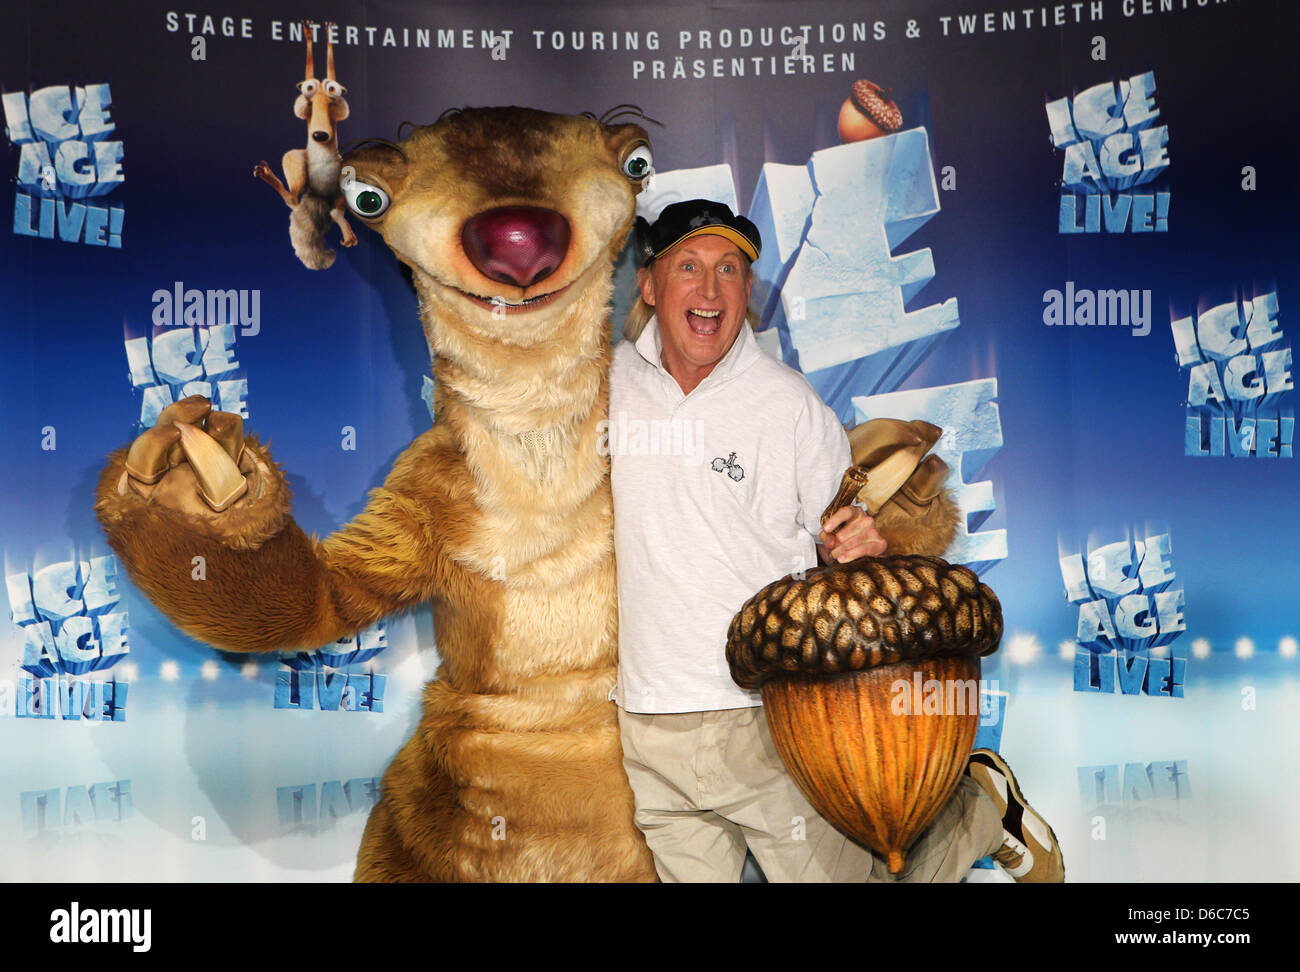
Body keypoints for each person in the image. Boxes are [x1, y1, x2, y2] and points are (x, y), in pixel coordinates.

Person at [608, 199, 1063, 883]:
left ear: (748, 291)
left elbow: (841, 537)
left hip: (772, 720)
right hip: (646, 724)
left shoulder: (789, 405)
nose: (709, 291)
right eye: (689, 267)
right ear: (649, 284)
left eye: (728, 270)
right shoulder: (606, 385)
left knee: (879, 877)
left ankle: (975, 813)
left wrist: (858, 540)